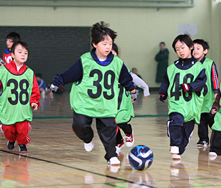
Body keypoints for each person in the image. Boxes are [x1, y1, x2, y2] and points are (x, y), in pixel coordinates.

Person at [50, 22, 137, 166]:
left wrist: (132, 91)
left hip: (106, 105)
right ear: (95, 44)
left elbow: (126, 79)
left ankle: (111, 156)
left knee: (109, 132)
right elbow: (70, 73)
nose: (108, 47)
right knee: (80, 125)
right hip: (85, 103)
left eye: (110, 43)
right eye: (104, 43)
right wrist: (57, 81)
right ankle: (87, 138)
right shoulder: (85, 60)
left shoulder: (117, 63)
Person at [159, 34, 207, 161]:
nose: (180, 51)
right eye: (177, 49)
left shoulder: (199, 67)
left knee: (186, 133)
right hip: (177, 103)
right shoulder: (171, 68)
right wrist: (163, 92)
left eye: (182, 47)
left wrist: (189, 86)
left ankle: (178, 151)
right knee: (176, 121)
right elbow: (166, 81)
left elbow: (202, 82)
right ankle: (174, 144)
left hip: (192, 107)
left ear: (191, 47)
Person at [0, 41, 40, 152]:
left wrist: (34, 101)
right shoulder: (3, 71)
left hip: (23, 109)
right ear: (12, 55)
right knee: (7, 129)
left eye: (26, 53)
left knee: (23, 129)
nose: (23, 55)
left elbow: (34, 90)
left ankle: (22, 143)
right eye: (20, 52)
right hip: (8, 109)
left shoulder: (29, 73)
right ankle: (11, 140)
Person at [111, 43, 150, 153]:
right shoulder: (104, 70)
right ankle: (119, 142)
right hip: (110, 103)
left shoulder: (122, 69)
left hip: (123, 102)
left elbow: (135, 78)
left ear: (117, 54)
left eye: (112, 53)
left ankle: (129, 133)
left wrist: (145, 87)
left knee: (121, 121)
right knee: (111, 123)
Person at [192, 39, 219, 148]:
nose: (195, 51)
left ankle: (216, 139)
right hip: (198, 98)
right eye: (193, 49)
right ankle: (203, 139)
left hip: (209, 98)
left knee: (212, 119)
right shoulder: (190, 64)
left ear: (205, 51)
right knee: (201, 121)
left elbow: (214, 78)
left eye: (198, 48)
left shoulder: (209, 63)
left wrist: (216, 92)